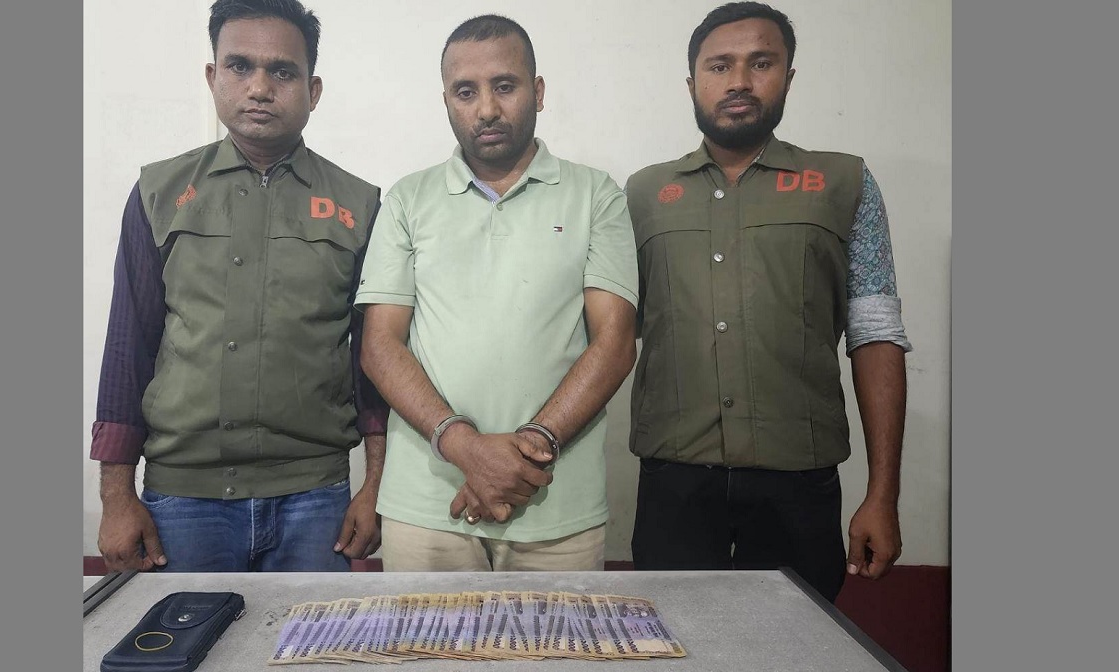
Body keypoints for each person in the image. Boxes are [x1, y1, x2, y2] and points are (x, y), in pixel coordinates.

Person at [624, 1, 912, 602]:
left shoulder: (843, 182)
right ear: (691, 83)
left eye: (760, 63)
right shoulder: (644, 193)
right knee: (675, 639)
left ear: (788, 76)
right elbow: (612, 333)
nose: (739, 81)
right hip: (674, 482)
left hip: (798, 485)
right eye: (718, 66)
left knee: (796, 643)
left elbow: (875, 332)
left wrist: (883, 495)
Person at [91, 0, 387, 573]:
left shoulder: (359, 205)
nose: (259, 88)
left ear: (313, 90)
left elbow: (370, 362)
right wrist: (116, 495)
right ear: (212, 77)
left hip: (315, 497)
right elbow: (128, 348)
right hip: (184, 500)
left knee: (310, 637)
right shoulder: (159, 193)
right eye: (239, 66)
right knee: (186, 636)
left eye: (282, 71)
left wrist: (375, 485)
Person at [355, 15, 638, 572]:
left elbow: (615, 343)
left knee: (560, 638)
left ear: (538, 92)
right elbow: (379, 346)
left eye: (504, 86)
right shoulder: (408, 200)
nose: (486, 109)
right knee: (422, 636)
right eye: (466, 92)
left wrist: (527, 451)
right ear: (446, 101)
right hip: (425, 507)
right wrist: (466, 449)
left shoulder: (596, 195)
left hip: (556, 503)